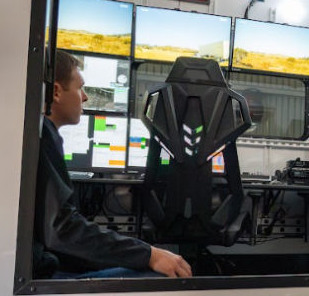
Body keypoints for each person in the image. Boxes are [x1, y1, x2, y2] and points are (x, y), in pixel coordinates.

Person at [33, 50, 192, 279]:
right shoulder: (42, 137)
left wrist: (142, 253)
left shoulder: (39, 134)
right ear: (56, 92)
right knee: (160, 276)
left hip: (45, 263)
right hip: (43, 274)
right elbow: (62, 230)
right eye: (80, 88)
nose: (85, 97)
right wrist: (149, 255)